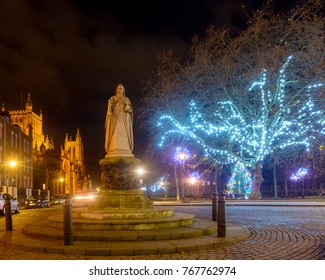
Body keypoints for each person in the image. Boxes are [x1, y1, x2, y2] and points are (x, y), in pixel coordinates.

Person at [104, 83, 134, 158]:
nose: (120, 89)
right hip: (114, 117)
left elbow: (130, 110)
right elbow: (109, 109)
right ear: (116, 89)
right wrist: (110, 109)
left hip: (124, 117)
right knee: (115, 133)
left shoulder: (126, 99)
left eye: (121, 88)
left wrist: (129, 109)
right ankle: (114, 147)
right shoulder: (112, 98)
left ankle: (124, 148)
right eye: (119, 88)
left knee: (124, 132)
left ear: (124, 90)